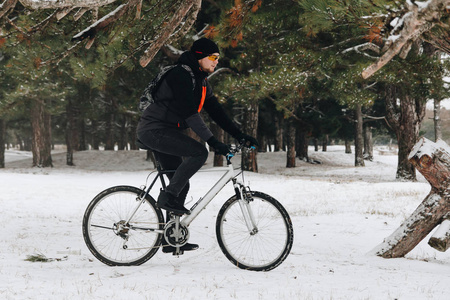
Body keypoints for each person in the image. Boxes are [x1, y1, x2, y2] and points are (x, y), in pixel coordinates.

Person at [136, 38, 258, 253]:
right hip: (154, 131)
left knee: (180, 182)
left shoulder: (201, 81)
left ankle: (170, 237)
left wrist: (240, 135)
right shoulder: (181, 75)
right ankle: (168, 197)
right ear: (200, 56)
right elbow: (190, 114)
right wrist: (213, 142)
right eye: (213, 58)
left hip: (165, 131)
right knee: (198, 152)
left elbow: (216, 111)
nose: (216, 62)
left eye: (218, 59)